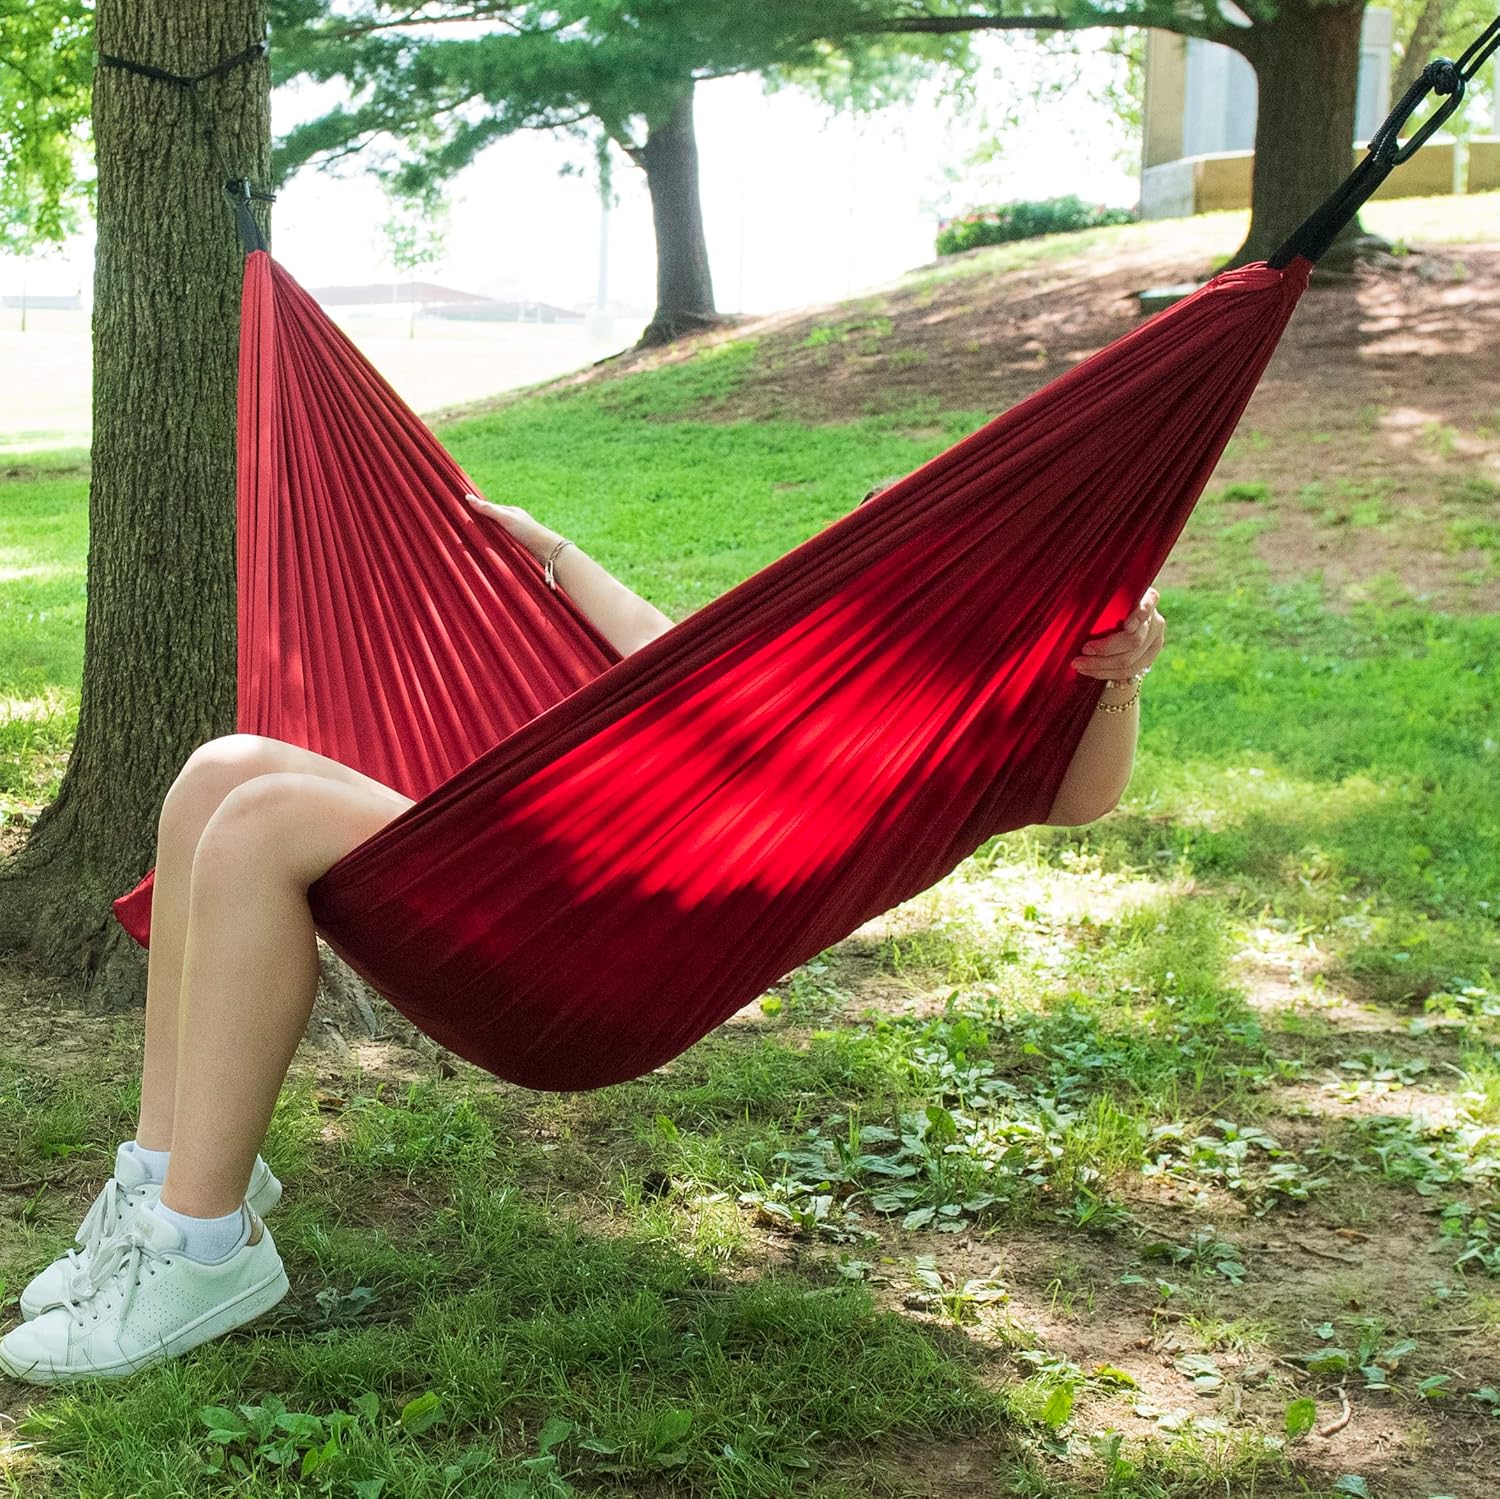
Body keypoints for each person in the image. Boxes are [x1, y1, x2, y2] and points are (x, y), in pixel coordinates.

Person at [0, 491, 1165, 1385]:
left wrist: (1117, 678)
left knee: (259, 822)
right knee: (221, 772)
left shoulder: (937, 754)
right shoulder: (805, 678)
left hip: (597, 961)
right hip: (555, 891)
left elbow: (1078, 797)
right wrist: (552, 554)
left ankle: (203, 1254)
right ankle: (161, 1194)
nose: (854, 563)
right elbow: (664, 648)